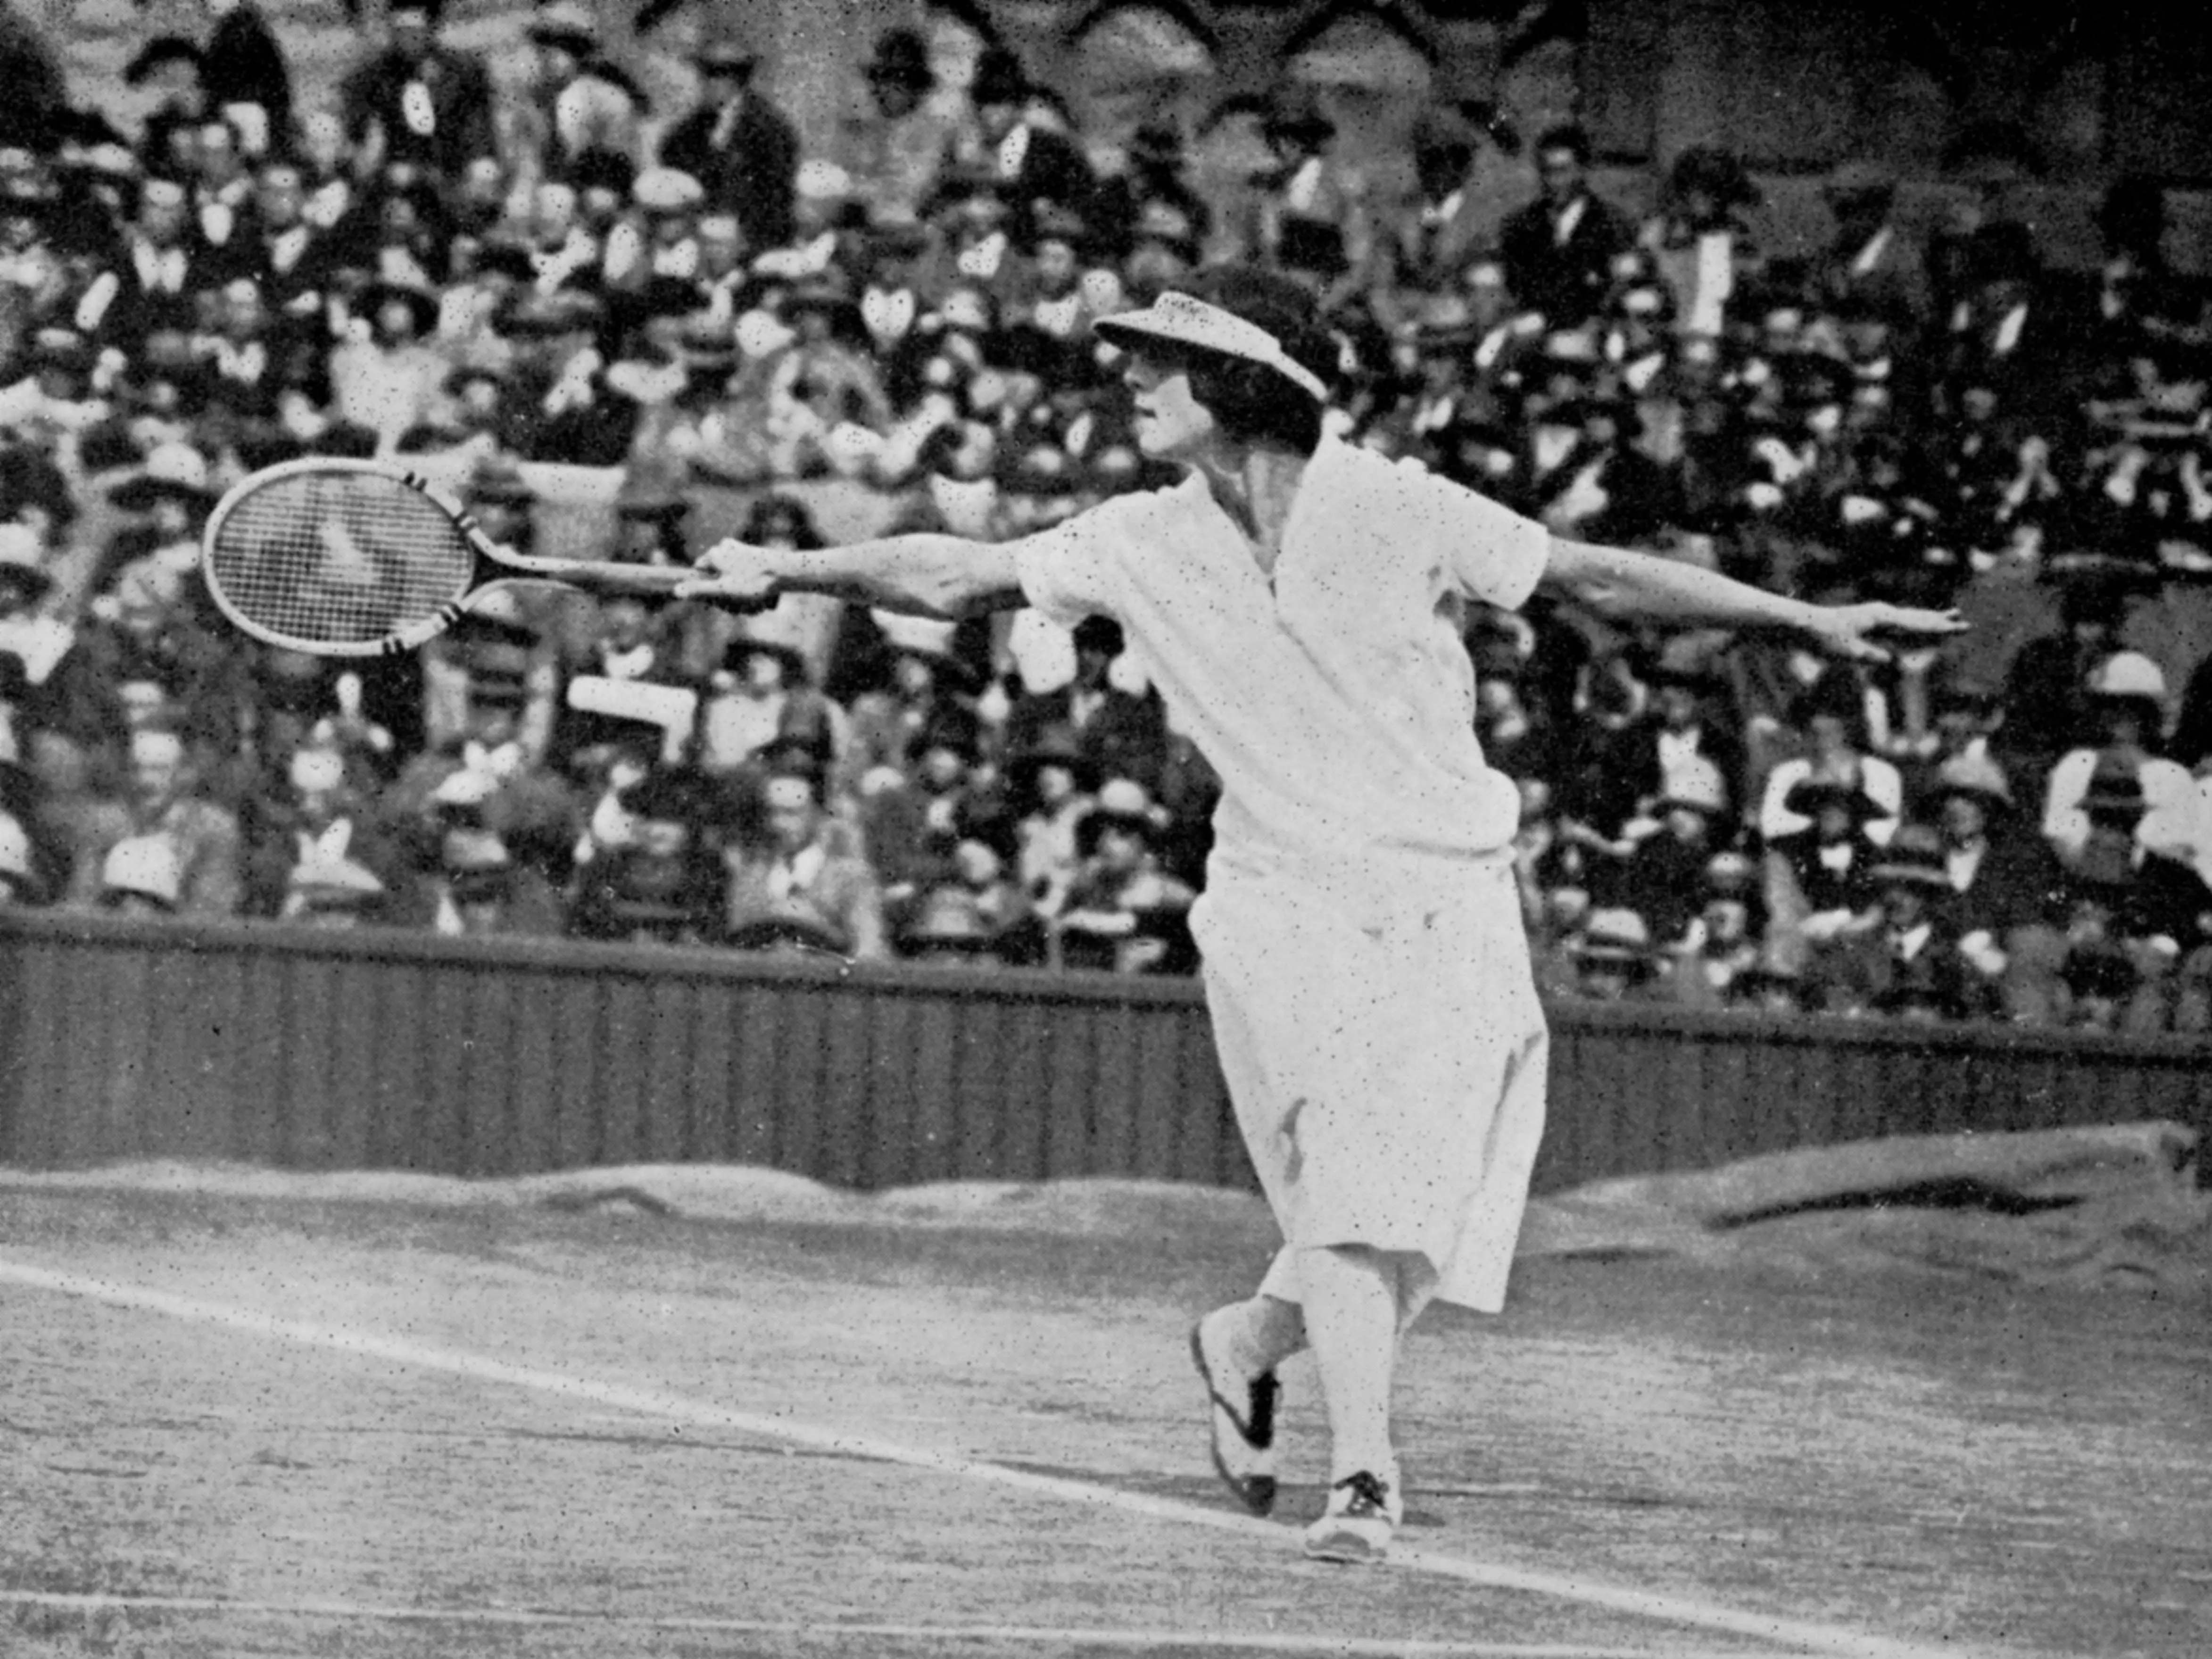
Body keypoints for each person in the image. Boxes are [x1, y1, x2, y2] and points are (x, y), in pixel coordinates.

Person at [678, 262, 1964, 1564]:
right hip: (1281, 900)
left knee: (1424, 1205)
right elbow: (953, 576)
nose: (1130, 377)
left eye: (1164, 361)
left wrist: (1804, 617)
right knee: (1356, 1178)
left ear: (1242, 383)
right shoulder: (1136, 535)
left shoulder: (1400, 506)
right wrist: (783, 566)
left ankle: (1248, 1340)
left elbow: (1598, 578)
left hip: (1451, 893)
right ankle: (1363, 1473)